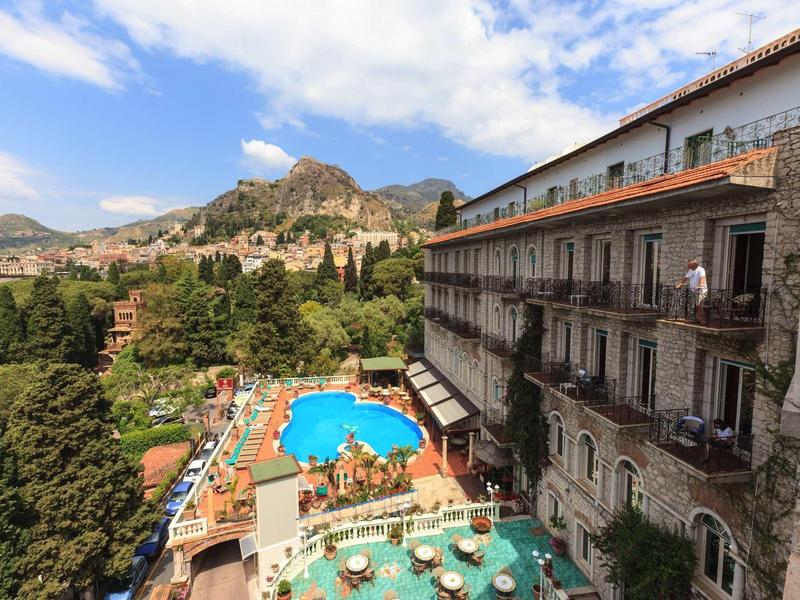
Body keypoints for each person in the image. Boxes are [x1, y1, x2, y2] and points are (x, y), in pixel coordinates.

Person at [676, 259, 708, 323]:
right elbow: (685, 278)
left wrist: (700, 286)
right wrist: (680, 284)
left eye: (689, 264)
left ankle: (702, 319)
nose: (688, 266)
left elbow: (702, 278)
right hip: (693, 291)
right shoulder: (690, 271)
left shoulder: (700, 269)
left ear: (694, 264)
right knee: (695, 305)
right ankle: (697, 318)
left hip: (701, 291)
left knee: (698, 305)